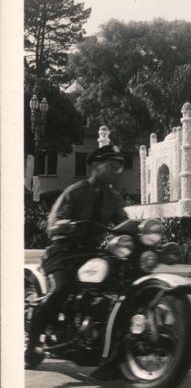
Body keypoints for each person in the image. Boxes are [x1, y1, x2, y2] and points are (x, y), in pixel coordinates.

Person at [26, 145, 128, 369]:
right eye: (109, 166)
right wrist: (62, 225)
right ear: (94, 166)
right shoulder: (75, 191)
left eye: (117, 167)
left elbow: (123, 224)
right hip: (63, 252)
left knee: (117, 284)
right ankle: (32, 344)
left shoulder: (114, 197)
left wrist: (141, 232)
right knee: (62, 289)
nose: (114, 171)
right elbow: (52, 225)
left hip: (91, 254)